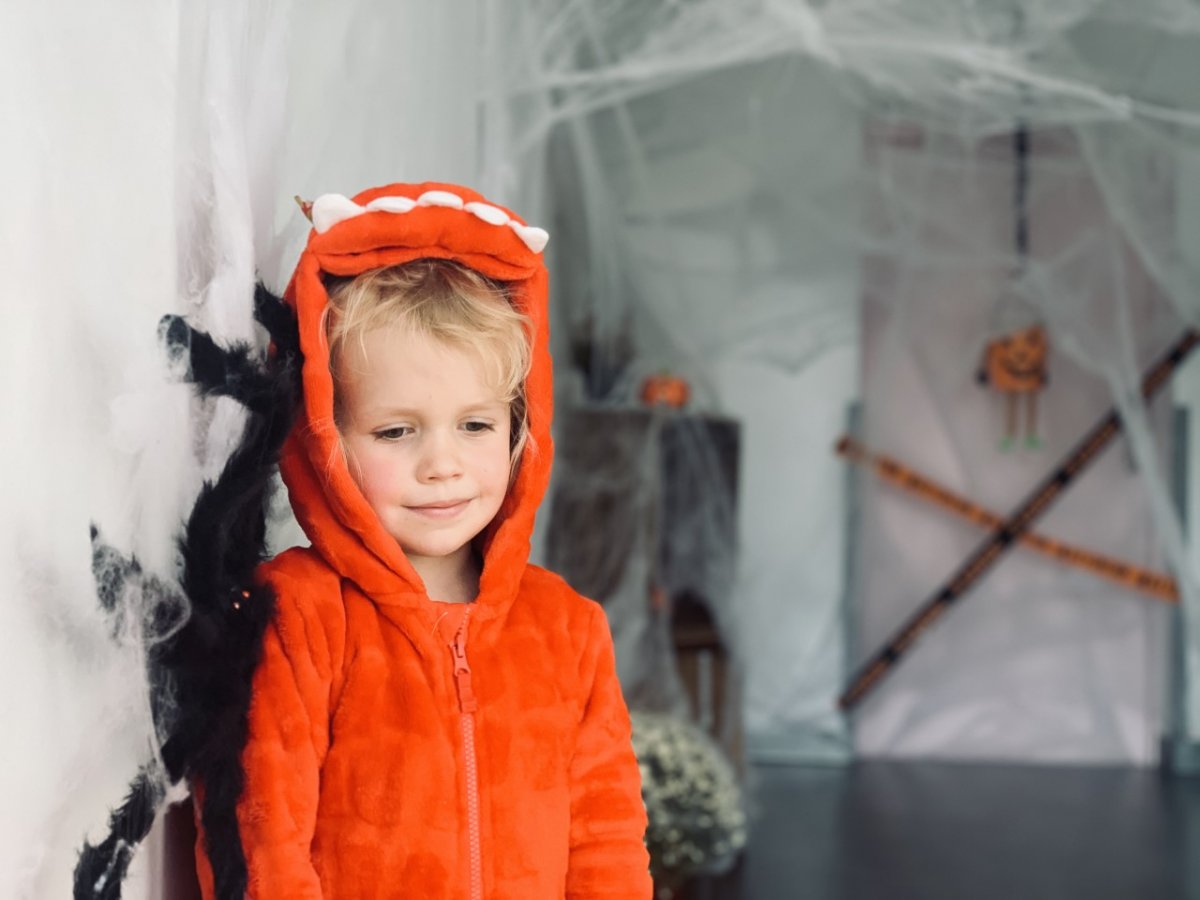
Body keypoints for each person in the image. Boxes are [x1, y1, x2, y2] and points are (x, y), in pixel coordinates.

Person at [193, 182, 652, 898]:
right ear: (326, 440)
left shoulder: (568, 630)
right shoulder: (297, 617)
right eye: (396, 430)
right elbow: (264, 843)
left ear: (520, 430)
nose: (443, 464)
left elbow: (607, 843)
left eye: (475, 425)